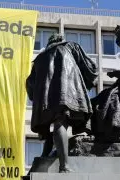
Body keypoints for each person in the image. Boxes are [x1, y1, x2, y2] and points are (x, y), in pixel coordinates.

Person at [26, 34, 98, 173]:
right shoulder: (70, 46)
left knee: (48, 127)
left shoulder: (39, 59)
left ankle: (44, 156)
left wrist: (38, 96)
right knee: (60, 122)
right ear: (60, 40)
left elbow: (29, 84)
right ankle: (64, 166)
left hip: (44, 99)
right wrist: (89, 81)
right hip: (65, 91)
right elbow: (89, 67)